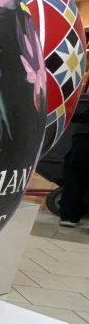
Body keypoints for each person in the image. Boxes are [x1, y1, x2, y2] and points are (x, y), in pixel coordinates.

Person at [58, 87, 89, 227]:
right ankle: (69, 215)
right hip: (83, 134)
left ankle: (69, 216)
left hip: (83, 135)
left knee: (75, 176)